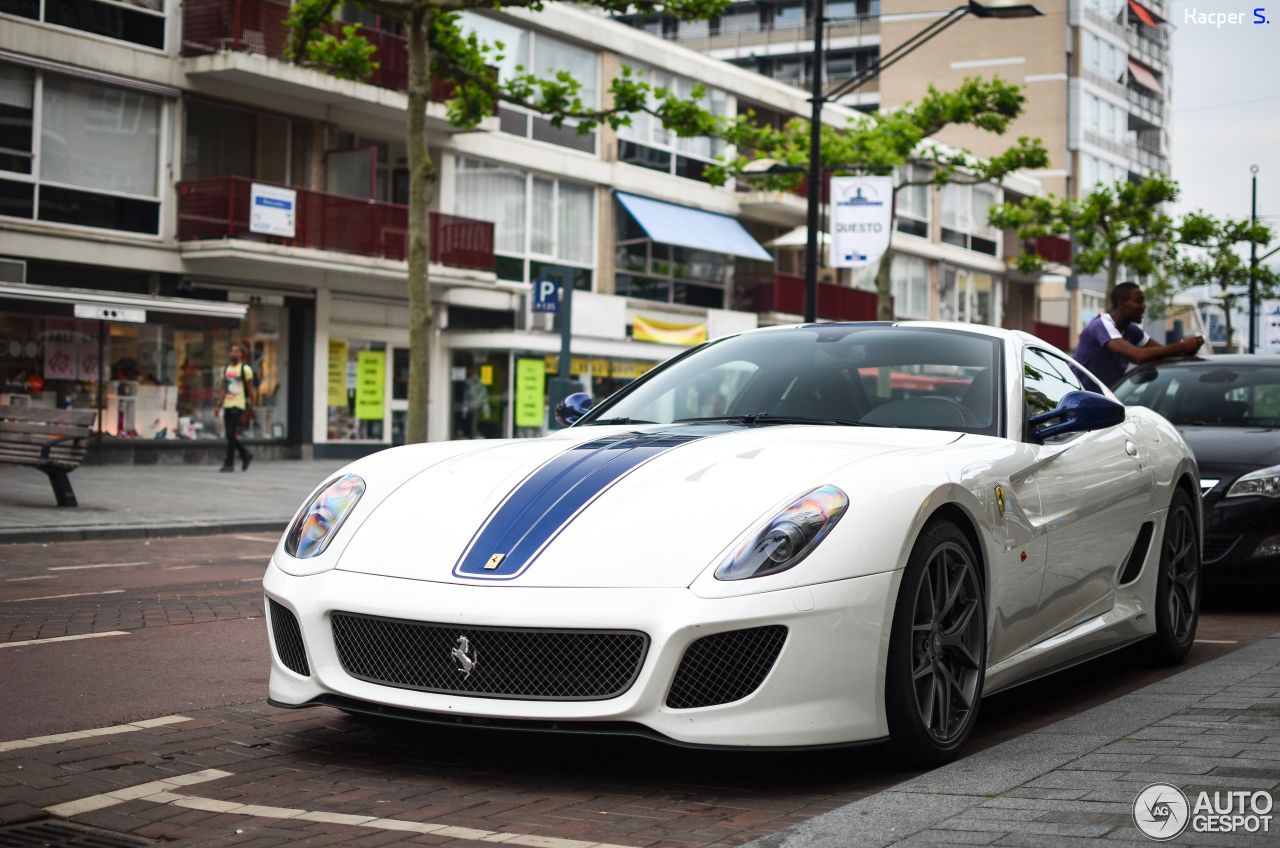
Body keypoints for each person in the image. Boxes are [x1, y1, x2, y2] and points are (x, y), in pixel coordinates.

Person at [1073, 282, 1203, 389]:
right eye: (1138, 301)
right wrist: (1182, 347)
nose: (1144, 306)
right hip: (1074, 393)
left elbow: (1163, 352)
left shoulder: (1131, 330)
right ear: (1122, 303)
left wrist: (1188, 351)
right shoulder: (1101, 325)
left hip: (1101, 398)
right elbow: (1138, 356)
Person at [214, 343, 255, 472]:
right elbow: (223, 389)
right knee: (229, 435)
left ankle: (230, 462)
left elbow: (250, 389)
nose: (234, 353)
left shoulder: (245, 370)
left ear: (240, 354)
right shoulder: (226, 369)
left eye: (236, 351)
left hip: (239, 404)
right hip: (228, 403)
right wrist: (218, 405)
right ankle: (245, 455)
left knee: (231, 433)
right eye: (232, 351)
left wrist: (251, 407)